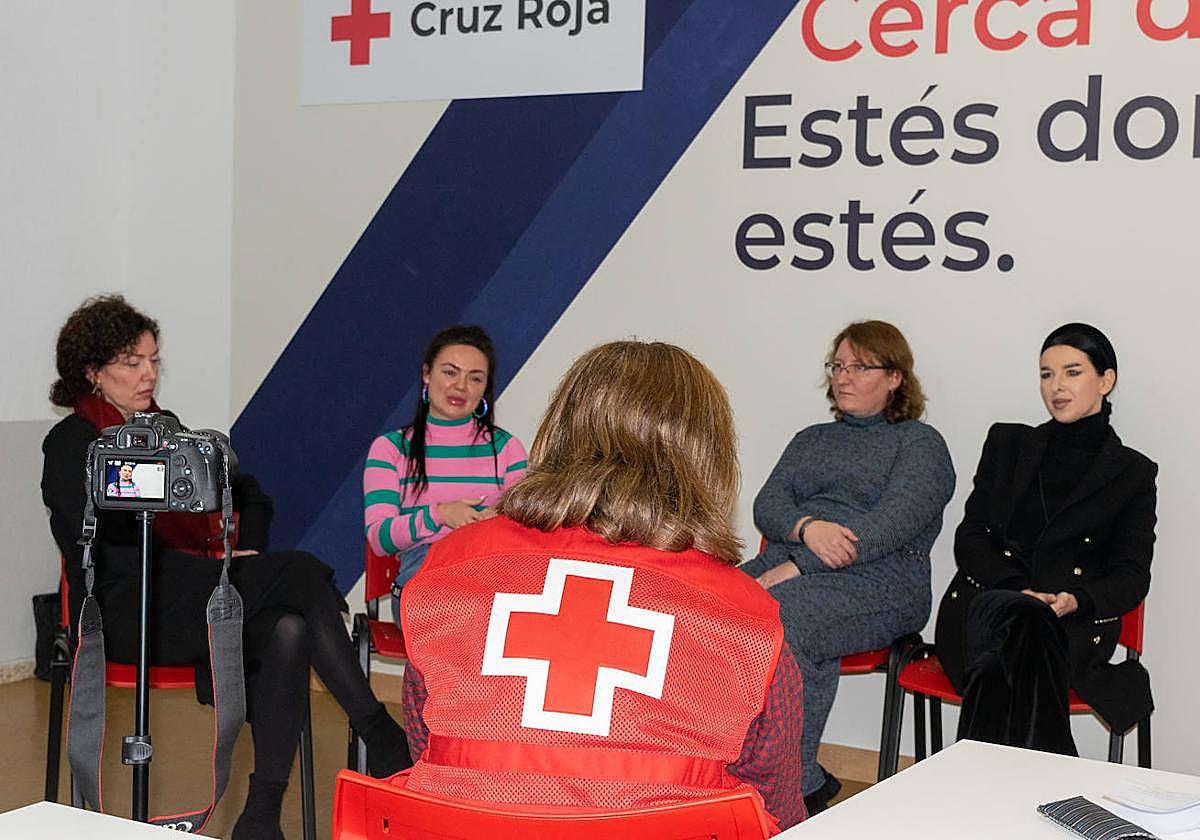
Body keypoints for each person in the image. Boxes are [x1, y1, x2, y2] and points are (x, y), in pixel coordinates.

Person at [41, 295, 411, 840]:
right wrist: (199, 554)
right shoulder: (71, 443)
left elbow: (250, 496)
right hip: (126, 609)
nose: (149, 374)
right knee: (304, 574)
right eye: (132, 362)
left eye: (154, 359)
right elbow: (98, 543)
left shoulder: (167, 429)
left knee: (286, 628)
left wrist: (241, 554)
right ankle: (378, 731)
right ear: (93, 373)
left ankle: (260, 815)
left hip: (195, 595)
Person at [397, 341, 806, 832]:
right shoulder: (747, 622)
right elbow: (777, 809)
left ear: (559, 433)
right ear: (706, 459)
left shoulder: (448, 572)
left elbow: (428, 747)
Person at [741, 320, 955, 814]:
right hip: (793, 563)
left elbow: (889, 527)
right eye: (837, 365)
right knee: (709, 603)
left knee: (784, 615)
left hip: (883, 582)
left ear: (895, 376)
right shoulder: (811, 438)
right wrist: (808, 527)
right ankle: (731, 766)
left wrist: (799, 564)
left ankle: (795, 785)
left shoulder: (920, 444)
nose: (843, 376)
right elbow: (767, 504)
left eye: (859, 366)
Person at [934, 323, 1156, 754]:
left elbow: (1131, 576)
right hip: (985, 610)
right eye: (1046, 374)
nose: (1056, 386)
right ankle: (1055, 777)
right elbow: (971, 538)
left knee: (999, 670)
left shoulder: (1131, 473)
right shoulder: (1007, 443)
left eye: (1072, 372)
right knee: (1022, 618)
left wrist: (1074, 600)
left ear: (1105, 380)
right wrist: (1019, 590)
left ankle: (982, 791)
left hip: (1067, 628)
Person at [363, 325, 527, 614]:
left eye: (475, 378)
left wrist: (496, 521)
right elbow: (380, 538)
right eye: (450, 372)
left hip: (487, 569)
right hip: (424, 571)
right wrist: (440, 514)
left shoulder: (507, 447)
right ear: (427, 374)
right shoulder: (390, 447)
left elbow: (527, 525)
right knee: (459, 619)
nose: (461, 386)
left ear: (485, 388)